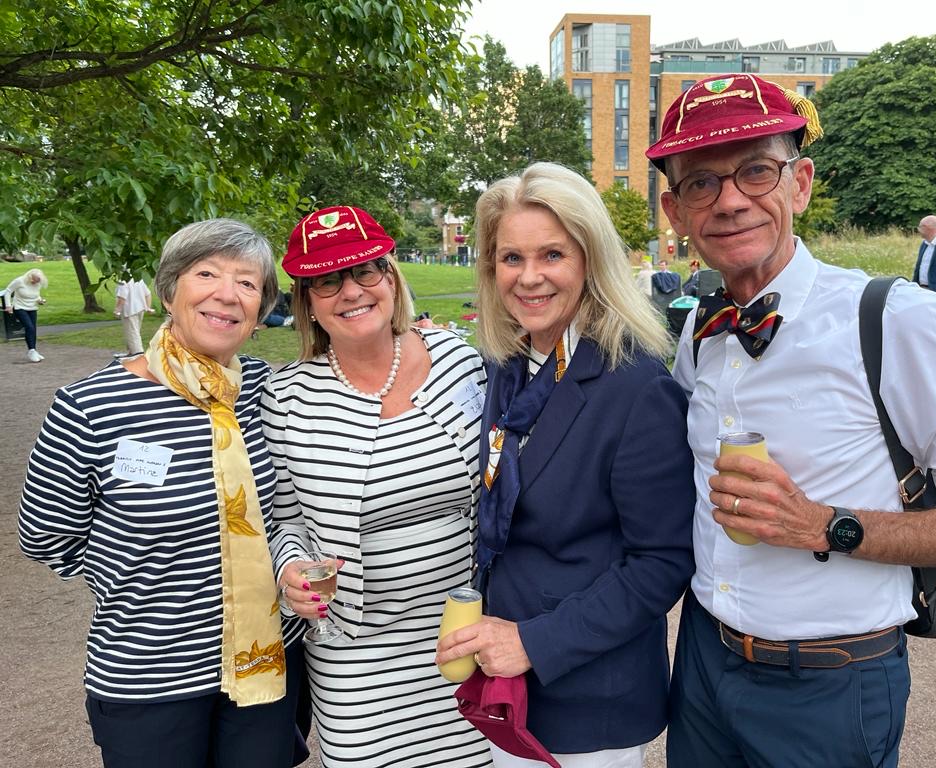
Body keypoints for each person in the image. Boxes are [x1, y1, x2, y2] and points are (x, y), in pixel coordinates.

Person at [646, 73, 936, 768]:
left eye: (757, 171)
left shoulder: (892, 318)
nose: (729, 201)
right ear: (675, 210)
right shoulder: (701, 326)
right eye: (701, 183)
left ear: (801, 183)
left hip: (830, 683)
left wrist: (826, 526)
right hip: (701, 664)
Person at [18, 219, 306, 768]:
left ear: (261, 308)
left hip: (265, 665)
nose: (228, 294)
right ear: (170, 290)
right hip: (149, 674)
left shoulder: (269, 394)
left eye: (248, 284)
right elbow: (46, 539)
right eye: (207, 274)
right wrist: (141, 576)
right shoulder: (90, 406)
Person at [435, 162, 696, 767]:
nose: (528, 278)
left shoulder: (635, 385)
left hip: (588, 695)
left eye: (551, 255)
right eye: (510, 258)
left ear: (590, 260)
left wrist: (534, 641)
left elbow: (662, 562)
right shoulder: (511, 365)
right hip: (511, 684)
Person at [265, 205, 491, 768]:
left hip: (466, 634)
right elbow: (285, 523)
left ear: (391, 278)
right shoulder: (287, 397)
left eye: (366, 270)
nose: (351, 291)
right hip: (357, 657)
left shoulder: (461, 362)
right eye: (327, 279)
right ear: (307, 302)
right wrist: (289, 570)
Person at [4, 267, 47, 362]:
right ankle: (31, 351)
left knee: (33, 329)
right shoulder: (19, 281)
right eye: (34, 281)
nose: (36, 283)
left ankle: (34, 350)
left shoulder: (38, 283)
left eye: (38, 281)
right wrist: (8, 305)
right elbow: (8, 291)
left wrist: (40, 300)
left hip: (32, 308)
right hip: (20, 307)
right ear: (30, 277)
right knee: (29, 327)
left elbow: (36, 294)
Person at [114, 275, 155, 355]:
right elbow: (148, 294)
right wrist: (148, 307)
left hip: (130, 310)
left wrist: (117, 310)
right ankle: (131, 352)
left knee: (132, 333)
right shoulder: (138, 278)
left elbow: (122, 297)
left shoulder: (123, 280)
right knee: (135, 331)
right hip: (140, 309)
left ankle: (138, 354)